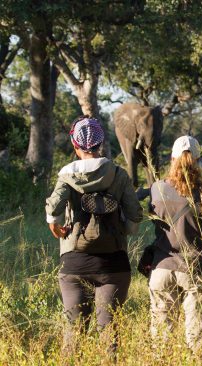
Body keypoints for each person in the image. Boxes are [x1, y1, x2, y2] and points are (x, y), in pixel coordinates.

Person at [45, 116, 143, 355]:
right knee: (110, 336)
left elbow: (53, 208)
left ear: (75, 145)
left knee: (74, 335)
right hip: (113, 265)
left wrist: (55, 225)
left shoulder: (66, 175)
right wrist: (121, 229)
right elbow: (134, 218)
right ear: (101, 144)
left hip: (74, 264)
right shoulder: (118, 174)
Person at [143, 135, 202, 353]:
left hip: (162, 267)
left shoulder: (157, 189)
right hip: (197, 267)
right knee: (197, 338)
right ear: (197, 160)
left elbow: (153, 220)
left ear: (172, 159)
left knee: (161, 338)